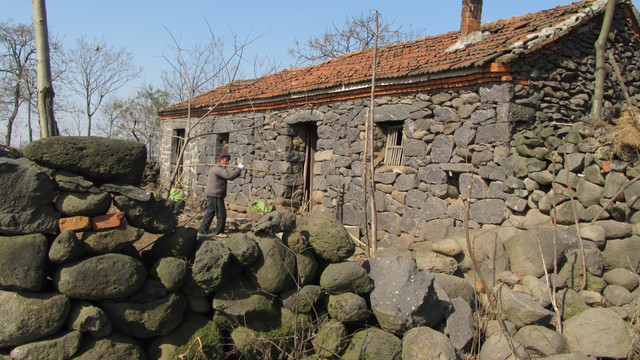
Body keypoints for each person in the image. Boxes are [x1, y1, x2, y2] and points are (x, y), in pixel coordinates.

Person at [197, 152, 244, 238]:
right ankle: (219, 232)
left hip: (213, 194)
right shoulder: (218, 169)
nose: (227, 162)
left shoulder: (216, 168)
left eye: (228, 160)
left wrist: (237, 170)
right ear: (221, 160)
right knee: (221, 215)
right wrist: (238, 169)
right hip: (216, 195)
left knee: (210, 213)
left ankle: (202, 231)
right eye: (226, 160)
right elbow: (229, 176)